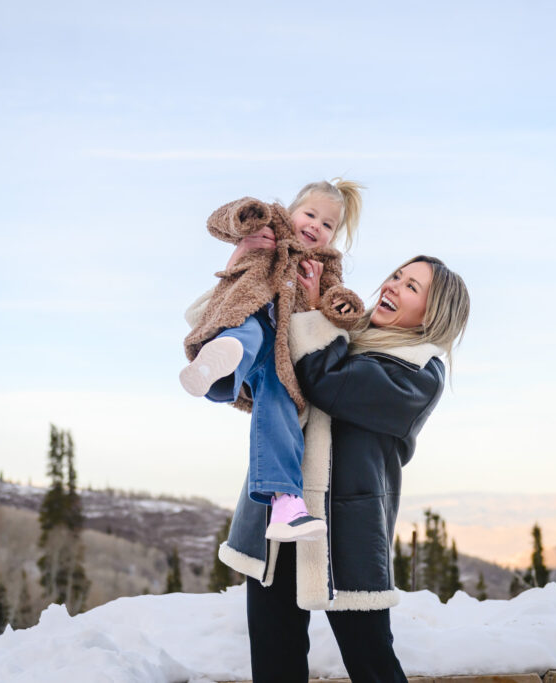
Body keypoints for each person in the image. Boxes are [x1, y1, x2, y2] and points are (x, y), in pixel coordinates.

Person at [218, 255, 471, 682]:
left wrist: (315, 314)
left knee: (370, 660)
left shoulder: (418, 373)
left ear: (434, 312)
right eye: (396, 276)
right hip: (280, 516)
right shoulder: (346, 331)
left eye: (412, 287)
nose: (392, 286)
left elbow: (327, 380)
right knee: (274, 656)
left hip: (347, 530)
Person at [181, 179, 365, 542]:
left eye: (327, 224)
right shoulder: (269, 226)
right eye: (310, 214)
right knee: (247, 332)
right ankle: (219, 361)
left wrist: (331, 302)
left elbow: (336, 302)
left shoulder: (324, 264)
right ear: (291, 210)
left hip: (280, 349)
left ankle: (287, 504)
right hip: (250, 312)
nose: (315, 226)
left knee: (282, 399)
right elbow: (220, 222)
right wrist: (245, 223)